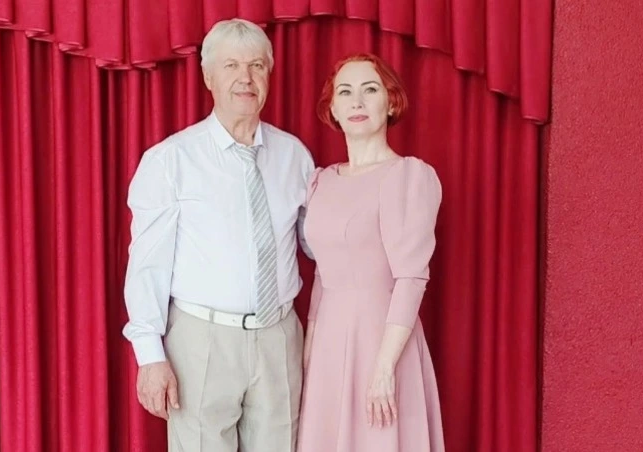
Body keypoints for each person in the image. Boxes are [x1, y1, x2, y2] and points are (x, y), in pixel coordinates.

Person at [122, 18, 315, 452]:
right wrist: (150, 355)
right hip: (202, 340)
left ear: (269, 74)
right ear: (208, 77)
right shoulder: (171, 160)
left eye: (256, 66)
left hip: (279, 335)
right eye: (231, 66)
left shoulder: (295, 156)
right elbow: (148, 265)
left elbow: (316, 243)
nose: (245, 78)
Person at [297, 53, 445, 451]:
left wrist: (384, 367)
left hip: (383, 340)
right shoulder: (321, 182)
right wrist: (310, 350)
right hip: (329, 343)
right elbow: (323, 273)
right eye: (345, 92)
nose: (357, 102)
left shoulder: (407, 176)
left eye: (370, 89)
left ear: (391, 102)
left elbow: (411, 278)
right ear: (333, 109)